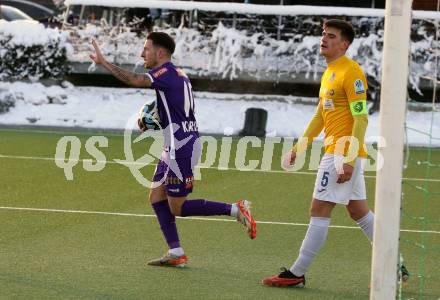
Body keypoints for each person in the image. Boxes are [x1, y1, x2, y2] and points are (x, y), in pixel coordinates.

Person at [262, 19, 408, 287]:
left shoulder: (352, 72)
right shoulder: (330, 72)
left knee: (319, 208)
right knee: (359, 211)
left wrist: (349, 159)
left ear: (344, 44)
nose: (324, 39)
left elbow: (361, 118)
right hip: (337, 151)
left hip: (343, 152)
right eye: (323, 35)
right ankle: (396, 265)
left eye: (331, 36)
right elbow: (320, 115)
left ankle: (297, 272)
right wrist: (299, 148)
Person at [90, 32, 256, 267]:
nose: (141, 53)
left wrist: (104, 63)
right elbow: (172, 107)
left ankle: (235, 209)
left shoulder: (165, 73)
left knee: (176, 206)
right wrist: (153, 119)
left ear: (160, 53)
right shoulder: (177, 74)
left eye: (145, 49)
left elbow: (136, 80)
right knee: (156, 195)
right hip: (176, 144)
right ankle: (176, 252)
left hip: (181, 147)